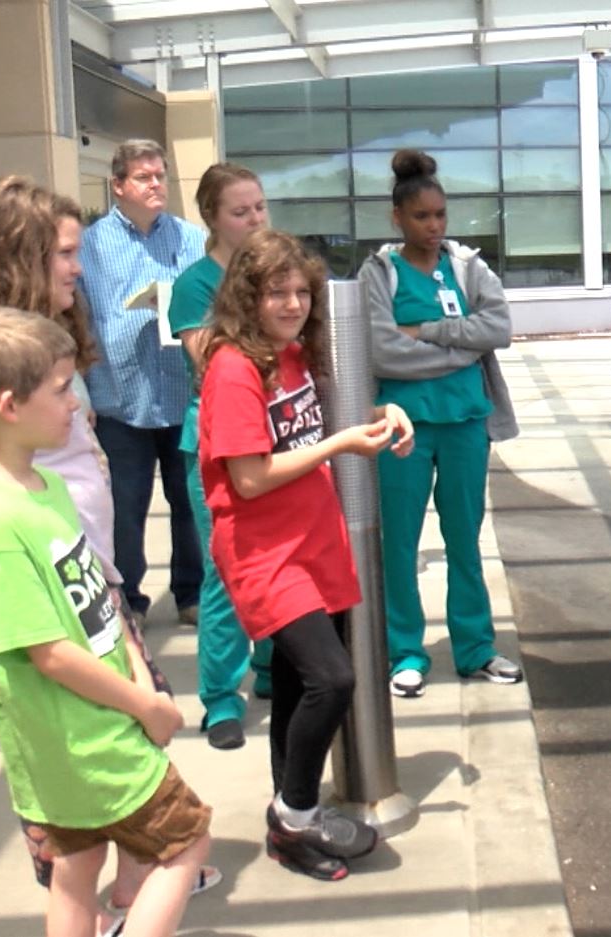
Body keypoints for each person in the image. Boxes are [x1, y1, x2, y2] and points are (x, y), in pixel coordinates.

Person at [0, 175, 221, 928]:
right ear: (21, 254)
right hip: (63, 608)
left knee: (82, 851)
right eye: (65, 251)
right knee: (124, 817)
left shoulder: (44, 351)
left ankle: (126, 894)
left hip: (91, 587)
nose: (78, 266)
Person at [198, 229, 414, 879]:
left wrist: (383, 413)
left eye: (301, 291)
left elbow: (315, 426)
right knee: (333, 678)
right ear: (248, 296)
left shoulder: (292, 355)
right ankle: (294, 816)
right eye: (277, 291)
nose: (292, 302)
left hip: (312, 538)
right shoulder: (234, 367)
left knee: (297, 684)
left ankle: (289, 811)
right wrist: (343, 444)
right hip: (266, 551)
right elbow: (251, 477)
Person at [359, 148, 522, 700]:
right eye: (421, 217)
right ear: (397, 218)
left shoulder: (468, 266)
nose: (433, 226)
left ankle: (475, 648)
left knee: (465, 541)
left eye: (440, 216)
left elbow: (496, 328)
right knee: (399, 544)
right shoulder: (378, 272)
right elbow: (382, 352)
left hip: (465, 422)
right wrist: (461, 343)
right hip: (402, 427)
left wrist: (426, 332)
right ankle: (405, 651)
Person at [165, 162, 274, 750]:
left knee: (281, 558)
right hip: (216, 442)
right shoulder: (196, 284)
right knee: (226, 568)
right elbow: (210, 357)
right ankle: (219, 697)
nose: (255, 219)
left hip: (279, 436)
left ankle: (276, 669)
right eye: (241, 211)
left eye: (260, 207)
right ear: (212, 218)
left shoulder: (275, 275)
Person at [80, 139, 206, 621]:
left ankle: (190, 594)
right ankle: (127, 596)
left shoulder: (190, 239)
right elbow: (81, 319)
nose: (156, 185)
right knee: (123, 508)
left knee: (190, 505)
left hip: (180, 391)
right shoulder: (92, 244)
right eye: (144, 177)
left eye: (161, 176)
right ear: (118, 186)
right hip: (118, 395)